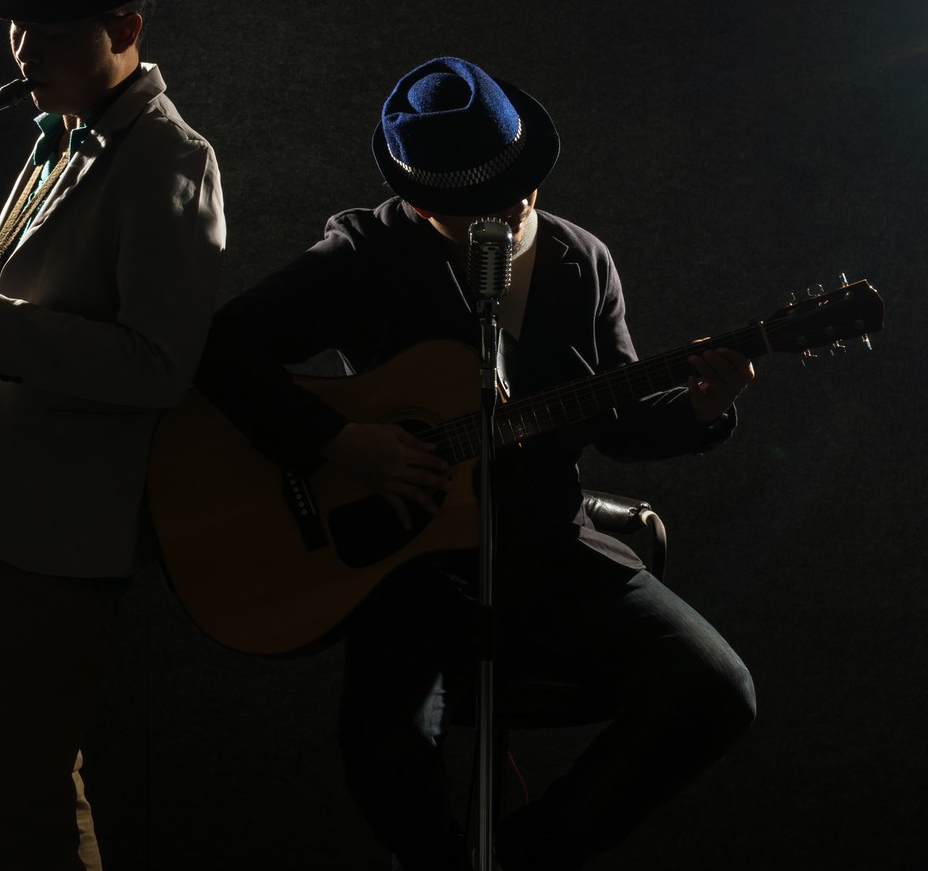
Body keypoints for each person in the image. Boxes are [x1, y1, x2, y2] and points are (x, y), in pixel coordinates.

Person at [193, 56, 756, 870]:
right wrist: (341, 441)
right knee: (383, 746)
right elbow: (223, 349)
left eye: (521, 188)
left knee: (715, 692)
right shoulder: (364, 252)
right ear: (420, 201)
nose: (513, 212)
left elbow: (620, 424)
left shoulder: (579, 260)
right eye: (477, 205)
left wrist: (705, 406)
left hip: (549, 549)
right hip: (407, 561)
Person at [0, 0, 226, 870]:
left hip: (60, 528)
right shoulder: (59, 134)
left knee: (23, 788)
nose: (23, 49)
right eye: (16, 23)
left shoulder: (169, 159)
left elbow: (159, 366)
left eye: (51, 29)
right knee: (18, 779)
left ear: (126, 30)